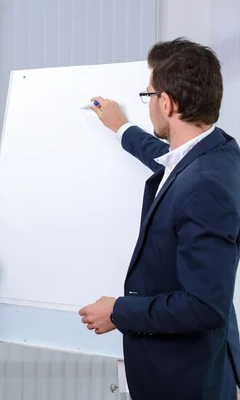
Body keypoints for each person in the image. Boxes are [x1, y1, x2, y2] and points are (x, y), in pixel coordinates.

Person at [78, 38, 240, 399]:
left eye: (148, 95)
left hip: (184, 380)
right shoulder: (220, 149)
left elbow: (204, 306)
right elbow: (168, 160)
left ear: (166, 102)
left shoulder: (204, 187)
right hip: (195, 368)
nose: (149, 103)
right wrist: (122, 129)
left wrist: (120, 311)